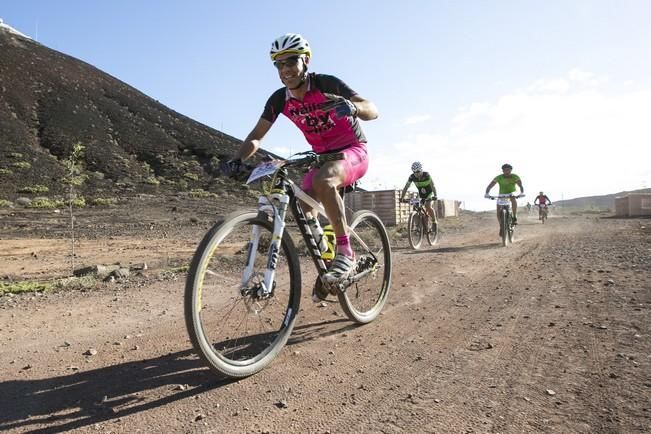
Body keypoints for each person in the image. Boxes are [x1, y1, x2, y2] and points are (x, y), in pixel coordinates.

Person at [225, 33, 378, 286]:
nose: (285, 69)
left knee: (324, 180)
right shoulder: (279, 100)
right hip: (322, 157)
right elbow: (256, 136)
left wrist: (353, 107)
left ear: (305, 60)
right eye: (279, 64)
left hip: (353, 151)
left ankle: (345, 252)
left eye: (291, 61)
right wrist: (238, 158)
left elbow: (372, 109)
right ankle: (329, 263)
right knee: (302, 206)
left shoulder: (325, 84)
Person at [399, 162, 439, 232]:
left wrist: (435, 195)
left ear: (421, 170)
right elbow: (406, 187)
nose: (416, 173)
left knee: (428, 206)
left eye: (418, 171)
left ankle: (434, 221)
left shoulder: (426, 175)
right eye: (414, 172)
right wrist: (402, 197)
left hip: (429, 194)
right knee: (415, 207)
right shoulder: (412, 177)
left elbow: (433, 185)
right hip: (421, 195)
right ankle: (419, 226)